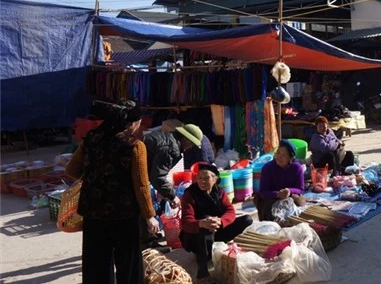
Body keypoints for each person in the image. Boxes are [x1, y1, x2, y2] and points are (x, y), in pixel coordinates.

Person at [66, 100, 158, 284]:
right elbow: (140, 185)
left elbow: (71, 170)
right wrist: (149, 216)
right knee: (128, 265)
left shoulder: (92, 138)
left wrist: (96, 174)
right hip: (123, 213)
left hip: (93, 211)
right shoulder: (134, 145)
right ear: (131, 122)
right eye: (138, 121)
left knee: (96, 266)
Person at [180, 164, 252, 283]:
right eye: (199, 178)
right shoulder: (190, 194)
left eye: (206, 178)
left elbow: (230, 211)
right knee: (206, 220)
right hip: (196, 237)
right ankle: (202, 274)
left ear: (215, 179)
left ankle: (230, 254)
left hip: (216, 231)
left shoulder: (219, 192)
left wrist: (221, 221)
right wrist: (201, 223)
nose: (202, 181)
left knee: (247, 220)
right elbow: (186, 223)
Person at [141, 123, 204, 249]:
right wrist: (172, 195)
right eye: (191, 144)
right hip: (136, 175)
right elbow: (157, 177)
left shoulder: (169, 138)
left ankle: (147, 236)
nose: (190, 147)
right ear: (185, 139)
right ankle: (146, 243)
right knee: (143, 204)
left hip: (142, 174)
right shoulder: (171, 147)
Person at [254, 139, 305, 222]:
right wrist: (277, 194)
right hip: (271, 198)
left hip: (289, 196)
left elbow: (300, 189)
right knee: (269, 211)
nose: (279, 157)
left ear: (290, 158)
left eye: (284, 155)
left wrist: (289, 191)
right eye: (278, 153)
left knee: (300, 203)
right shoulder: (267, 168)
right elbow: (263, 192)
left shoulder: (297, 168)